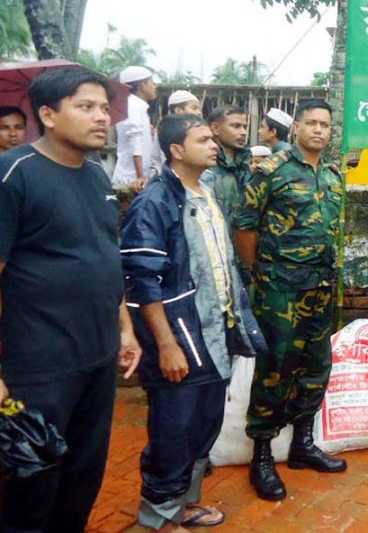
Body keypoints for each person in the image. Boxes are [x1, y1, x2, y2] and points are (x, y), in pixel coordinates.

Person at [0, 67, 141, 531]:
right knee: (30, 485)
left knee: (82, 477)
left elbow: (106, 258)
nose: (101, 117)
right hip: (39, 367)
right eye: (85, 106)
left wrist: (124, 329)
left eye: (103, 107)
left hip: (97, 359)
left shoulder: (97, 178)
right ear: (48, 115)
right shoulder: (14, 173)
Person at [121, 114, 262, 531]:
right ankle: (160, 519)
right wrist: (165, 345)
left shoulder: (208, 190)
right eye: (202, 139)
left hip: (215, 329)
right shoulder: (155, 201)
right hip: (180, 335)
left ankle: (183, 504)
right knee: (173, 428)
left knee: (203, 423)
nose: (213, 144)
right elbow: (141, 280)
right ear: (177, 151)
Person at [235, 99, 346, 501]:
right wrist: (259, 273)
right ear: (296, 127)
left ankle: (303, 444)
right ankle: (261, 455)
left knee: (317, 365)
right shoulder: (271, 171)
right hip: (279, 290)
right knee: (274, 368)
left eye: (325, 124)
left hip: (320, 290)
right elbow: (244, 225)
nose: (319, 130)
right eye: (311, 123)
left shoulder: (333, 176)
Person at [112, 65, 159, 191]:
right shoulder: (133, 105)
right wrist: (140, 176)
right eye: (152, 83)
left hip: (137, 178)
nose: (155, 87)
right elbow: (135, 139)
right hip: (132, 180)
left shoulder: (136, 105)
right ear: (142, 85)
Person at [205, 106, 251, 224]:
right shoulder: (205, 166)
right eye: (235, 126)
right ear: (215, 128)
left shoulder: (245, 164)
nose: (243, 132)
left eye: (245, 127)